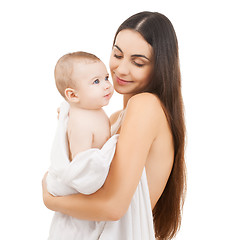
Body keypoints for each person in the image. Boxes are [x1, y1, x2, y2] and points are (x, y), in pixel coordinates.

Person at [42, 11, 187, 240]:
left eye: (138, 62)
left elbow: (113, 207)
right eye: (117, 55)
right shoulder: (115, 118)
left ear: (160, 67)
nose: (120, 69)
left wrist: (51, 199)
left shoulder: (146, 105)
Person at [46, 51, 118, 239]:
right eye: (96, 82)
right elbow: (82, 172)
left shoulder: (94, 110)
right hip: (80, 204)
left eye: (106, 78)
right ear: (73, 95)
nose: (107, 86)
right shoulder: (81, 124)